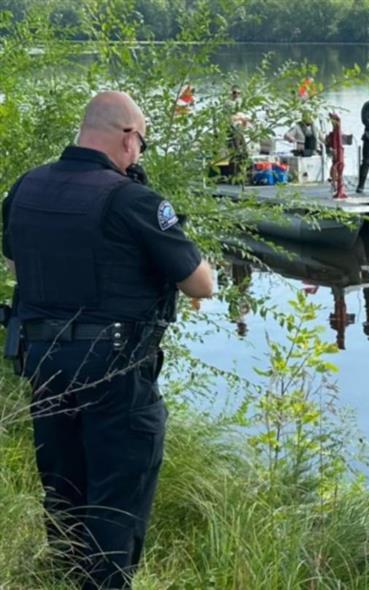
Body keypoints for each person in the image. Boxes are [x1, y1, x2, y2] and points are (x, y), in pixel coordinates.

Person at [2, 91, 214, 589]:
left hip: (44, 363)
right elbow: (200, 283)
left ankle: (66, 574)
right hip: (115, 372)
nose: (138, 154)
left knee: (63, 486)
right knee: (117, 499)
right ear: (126, 137)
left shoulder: (26, 186)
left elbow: (15, 264)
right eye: (140, 141)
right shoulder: (132, 200)